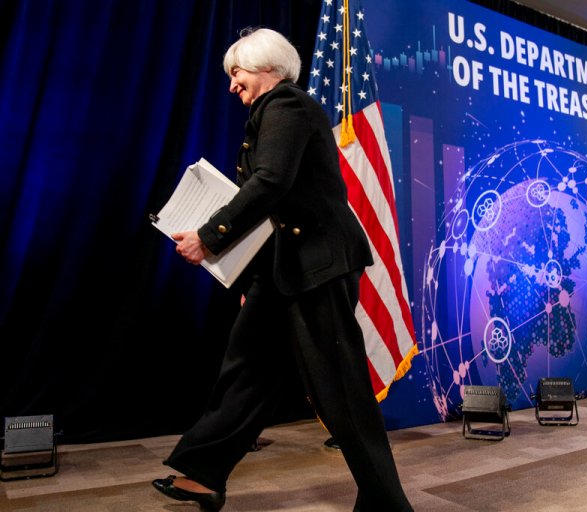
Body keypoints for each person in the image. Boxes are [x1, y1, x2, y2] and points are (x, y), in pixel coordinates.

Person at [151, 28, 413, 512]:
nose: (232, 85)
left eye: (237, 73)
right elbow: (271, 212)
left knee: (339, 386)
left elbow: (270, 184)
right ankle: (204, 475)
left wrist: (209, 237)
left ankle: (386, 503)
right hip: (283, 269)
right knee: (246, 368)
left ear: (266, 67)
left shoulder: (286, 105)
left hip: (318, 267)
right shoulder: (268, 114)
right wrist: (254, 281)